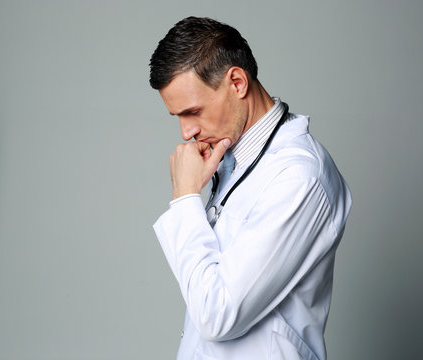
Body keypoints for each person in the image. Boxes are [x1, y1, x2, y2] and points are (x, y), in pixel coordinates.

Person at [149, 16, 352, 360]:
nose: (186, 132)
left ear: (238, 82)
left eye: (193, 111)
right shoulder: (229, 159)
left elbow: (218, 315)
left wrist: (185, 199)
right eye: (177, 117)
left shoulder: (300, 176)